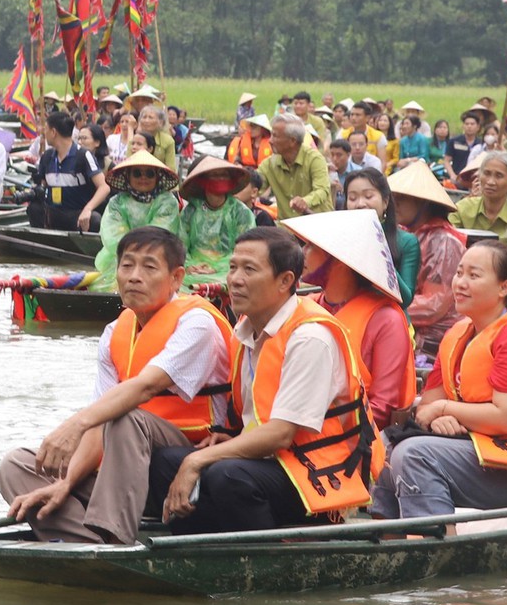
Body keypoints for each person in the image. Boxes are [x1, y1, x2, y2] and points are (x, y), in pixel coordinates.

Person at [0, 226, 233, 545]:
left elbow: (146, 387)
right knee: (15, 466)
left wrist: (75, 424)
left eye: (149, 267)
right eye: (127, 265)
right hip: (125, 467)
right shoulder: (114, 332)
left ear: (176, 278)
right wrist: (66, 482)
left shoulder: (196, 323)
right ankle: (85, 542)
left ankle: (114, 536)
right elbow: (98, 422)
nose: (135, 276)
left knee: (123, 416)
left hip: (182, 457)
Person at [151, 228, 379, 535]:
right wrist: (222, 441)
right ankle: (205, 546)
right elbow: (254, 416)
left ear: (285, 281)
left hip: (320, 476)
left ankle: (266, 562)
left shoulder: (309, 337)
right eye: (232, 267)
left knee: (227, 475)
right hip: (270, 463)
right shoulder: (247, 329)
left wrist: (197, 461)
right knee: (164, 462)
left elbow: (280, 435)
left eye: (249, 269)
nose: (235, 279)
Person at [369, 241, 507, 520]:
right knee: (385, 444)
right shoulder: (458, 333)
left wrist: (444, 410)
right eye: (459, 273)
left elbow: (506, 417)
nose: (460, 283)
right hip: (477, 448)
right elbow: (429, 404)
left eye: (474, 276)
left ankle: (435, 545)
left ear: (505, 288)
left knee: (415, 454)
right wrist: (434, 417)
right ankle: (389, 539)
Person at [289, 210, 417, 427]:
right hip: (294, 426)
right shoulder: (305, 304)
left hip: (358, 441)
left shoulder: (386, 319)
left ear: (340, 259)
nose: (303, 253)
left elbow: (382, 409)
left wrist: (313, 429)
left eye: (311, 246)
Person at [387, 163, 467, 363]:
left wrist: (384, 307)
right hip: (403, 323)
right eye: (393, 198)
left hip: (433, 339)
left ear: (423, 203)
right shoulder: (404, 233)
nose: (394, 205)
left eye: (402, 199)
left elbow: (433, 305)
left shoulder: (444, 242)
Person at [90, 152, 184, 290]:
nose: (143, 178)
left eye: (150, 174)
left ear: (157, 177)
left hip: (158, 258)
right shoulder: (117, 202)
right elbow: (113, 236)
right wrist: (131, 259)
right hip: (120, 258)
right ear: (128, 176)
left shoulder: (167, 201)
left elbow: (160, 235)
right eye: (137, 173)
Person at [175, 156, 256, 286]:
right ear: (203, 181)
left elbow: (246, 250)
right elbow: (180, 245)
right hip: (193, 268)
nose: (219, 179)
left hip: (229, 269)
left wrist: (218, 268)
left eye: (223, 175)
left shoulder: (241, 212)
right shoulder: (191, 211)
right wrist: (189, 265)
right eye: (214, 176)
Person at [346, 167, 419, 303]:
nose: (360, 204)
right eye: (352, 198)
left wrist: (380, 251)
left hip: (389, 318)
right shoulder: (342, 239)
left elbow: (405, 299)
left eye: (368, 196)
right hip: (347, 316)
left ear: (385, 202)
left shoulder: (407, 242)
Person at [27, 112, 109, 231]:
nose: (44, 133)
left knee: (94, 219)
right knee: (34, 208)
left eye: (46, 130)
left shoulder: (83, 155)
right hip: (53, 213)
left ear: (53, 132)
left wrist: (88, 209)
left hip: (77, 215)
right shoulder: (47, 157)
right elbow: (43, 185)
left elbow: (104, 188)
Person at [262, 116, 332, 221]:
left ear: (292, 141)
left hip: (318, 225)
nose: (270, 141)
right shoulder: (269, 163)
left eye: (275, 136)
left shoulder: (315, 159)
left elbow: (321, 190)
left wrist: (305, 201)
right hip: (286, 229)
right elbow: (255, 183)